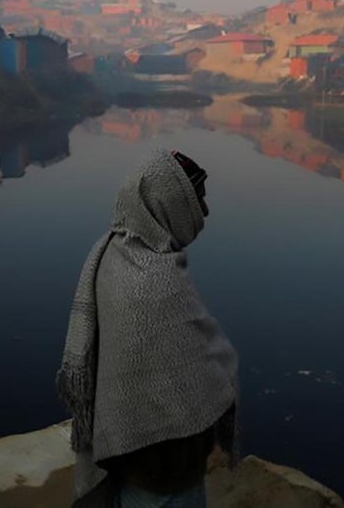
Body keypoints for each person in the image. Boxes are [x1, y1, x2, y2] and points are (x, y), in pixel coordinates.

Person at [58, 149, 239, 507]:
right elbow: (199, 379)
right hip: (164, 469)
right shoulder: (158, 280)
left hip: (128, 453)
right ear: (167, 203)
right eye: (196, 201)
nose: (204, 212)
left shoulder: (111, 251)